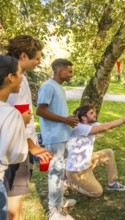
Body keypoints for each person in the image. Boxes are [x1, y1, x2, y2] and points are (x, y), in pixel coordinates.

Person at [5, 35, 53, 220]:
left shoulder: (22, 79)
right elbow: (13, 121)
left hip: (24, 147)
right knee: (12, 205)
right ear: (24, 56)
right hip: (15, 150)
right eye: (37, 58)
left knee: (16, 200)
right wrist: (33, 147)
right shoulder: (11, 80)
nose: (39, 62)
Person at [65, 104, 125, 197]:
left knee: (108, 153)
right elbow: (106, 127)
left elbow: (109, 125)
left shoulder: (91, 124)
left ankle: (112, 184)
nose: (94, 114)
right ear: (84, 118)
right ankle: (70, 183)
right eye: (91, 113)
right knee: (97, 192)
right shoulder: (80, 128)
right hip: (77, 171)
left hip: (87, 162)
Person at [36, 59, 78, 220]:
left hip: (62, 135)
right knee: (55, 172)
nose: (71, 74)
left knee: (60, 171)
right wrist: (64, 120)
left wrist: (69, 120)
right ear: (59, 70)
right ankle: (54, 210)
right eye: (69, 71)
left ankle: (59, 201)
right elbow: (40, 110)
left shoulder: (59, 88)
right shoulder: (48, 86)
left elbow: (55, 111)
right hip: (53, 137)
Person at [0, 55, 29, 219]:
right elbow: (17, 155)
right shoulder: (11, 114)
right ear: (10, 77)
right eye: (20, 74)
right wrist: (21, 124)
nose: (22, 78)